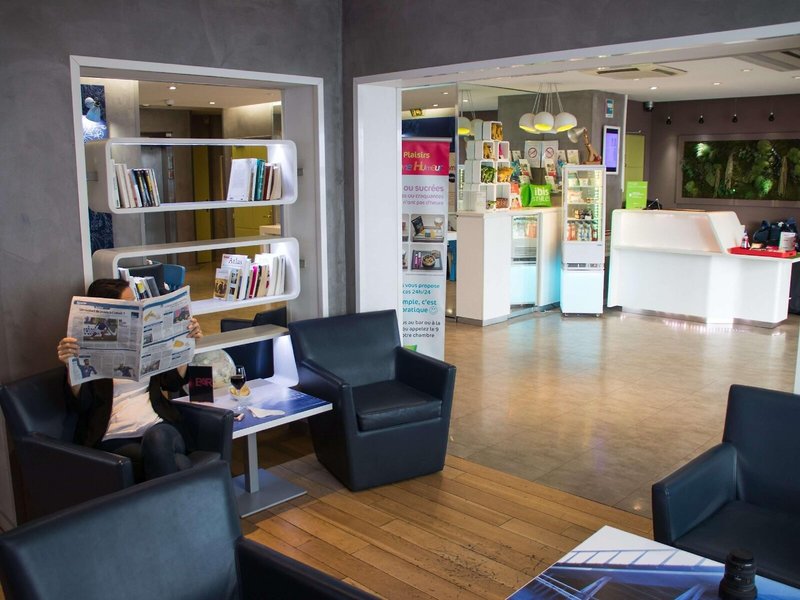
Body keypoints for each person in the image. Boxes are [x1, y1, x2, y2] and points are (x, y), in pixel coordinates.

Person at [56, 278, 203, 481]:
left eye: (135, 301)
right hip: (114, 436)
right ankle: (183, 498)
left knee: (157, 439)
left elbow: (173, 383)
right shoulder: (84, 347)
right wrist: (71, 366)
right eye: (129, 305)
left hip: (159, 425)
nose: (136, 307)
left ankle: (167, 501)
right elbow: (81, 404)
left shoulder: (146, 338)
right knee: (179, 463)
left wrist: (186, 343)